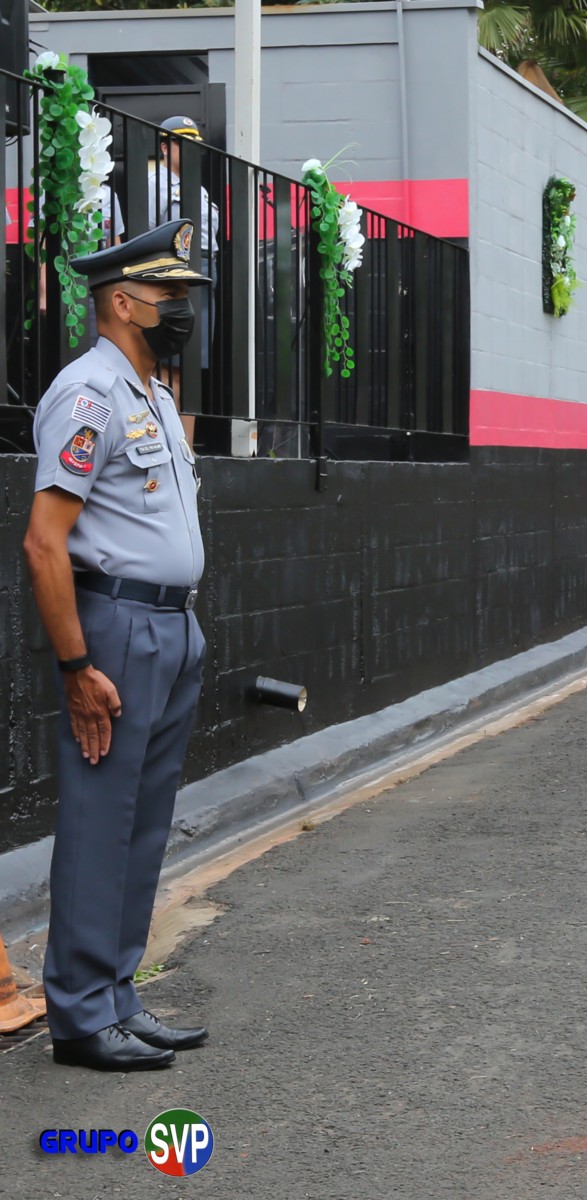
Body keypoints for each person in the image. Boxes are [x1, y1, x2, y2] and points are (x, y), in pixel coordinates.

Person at [23, 220, 212, 1071]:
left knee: (143, 823)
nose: (181, 309)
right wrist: (75, 667)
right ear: (123, 301)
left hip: (173, 626)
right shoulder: (88, 393)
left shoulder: (156, 395)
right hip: (116, 631)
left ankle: (117, 997)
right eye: (169, 296)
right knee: (102, 822)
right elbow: (42, 541)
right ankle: (78, 1016)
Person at [148, 115, 220, 418]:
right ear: (165, 147)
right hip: (174, 273)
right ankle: (173, 449)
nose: (191, 150)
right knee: (172, 368)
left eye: (195, 145)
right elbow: (147, 236)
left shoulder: (198, 188)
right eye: (183, 142)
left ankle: (185, 453)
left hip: (205, 272)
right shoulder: (156, 185)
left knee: (191, 368)